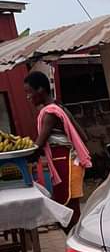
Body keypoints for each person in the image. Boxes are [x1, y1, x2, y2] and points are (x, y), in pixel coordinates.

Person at [24, 70, 92, 232]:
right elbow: (84, 136)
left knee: (67, 213)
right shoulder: (59, 107)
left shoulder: (50, 114)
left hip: (66, 163)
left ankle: (78, 243)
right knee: (69, 211)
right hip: (69, 162)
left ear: (40, 90)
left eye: (29, 92)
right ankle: (77, 241)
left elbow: (39, 145)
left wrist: (21, 156)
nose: (28, 97)